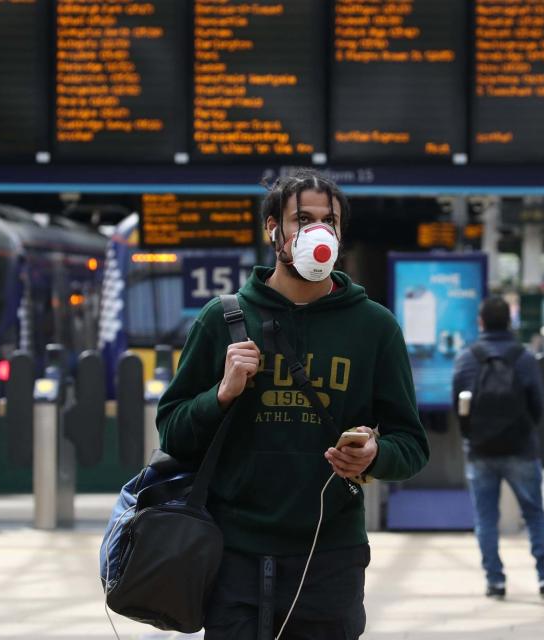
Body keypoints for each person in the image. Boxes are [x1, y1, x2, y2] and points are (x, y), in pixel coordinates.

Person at [156, 170, 430, 639]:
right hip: (233, 554)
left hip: (331, 558)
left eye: (329, 222)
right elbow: (173, 433)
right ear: (272, 230)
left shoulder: (373, 327)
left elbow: (411, 445)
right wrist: (221, 394)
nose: (318, 233)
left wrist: (374, 456)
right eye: (302, 219)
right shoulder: (222, 319)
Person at [451, 295, 544, 600]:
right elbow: (538, 405)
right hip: (521, 449)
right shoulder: (524, 358)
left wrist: (471, 436)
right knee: (535, 514)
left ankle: (495, 581)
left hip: (480, 450)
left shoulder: (467, 358)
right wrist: (524, 430)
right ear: (509, 322)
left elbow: (458, 406)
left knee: (486, 518)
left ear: (481, 322)